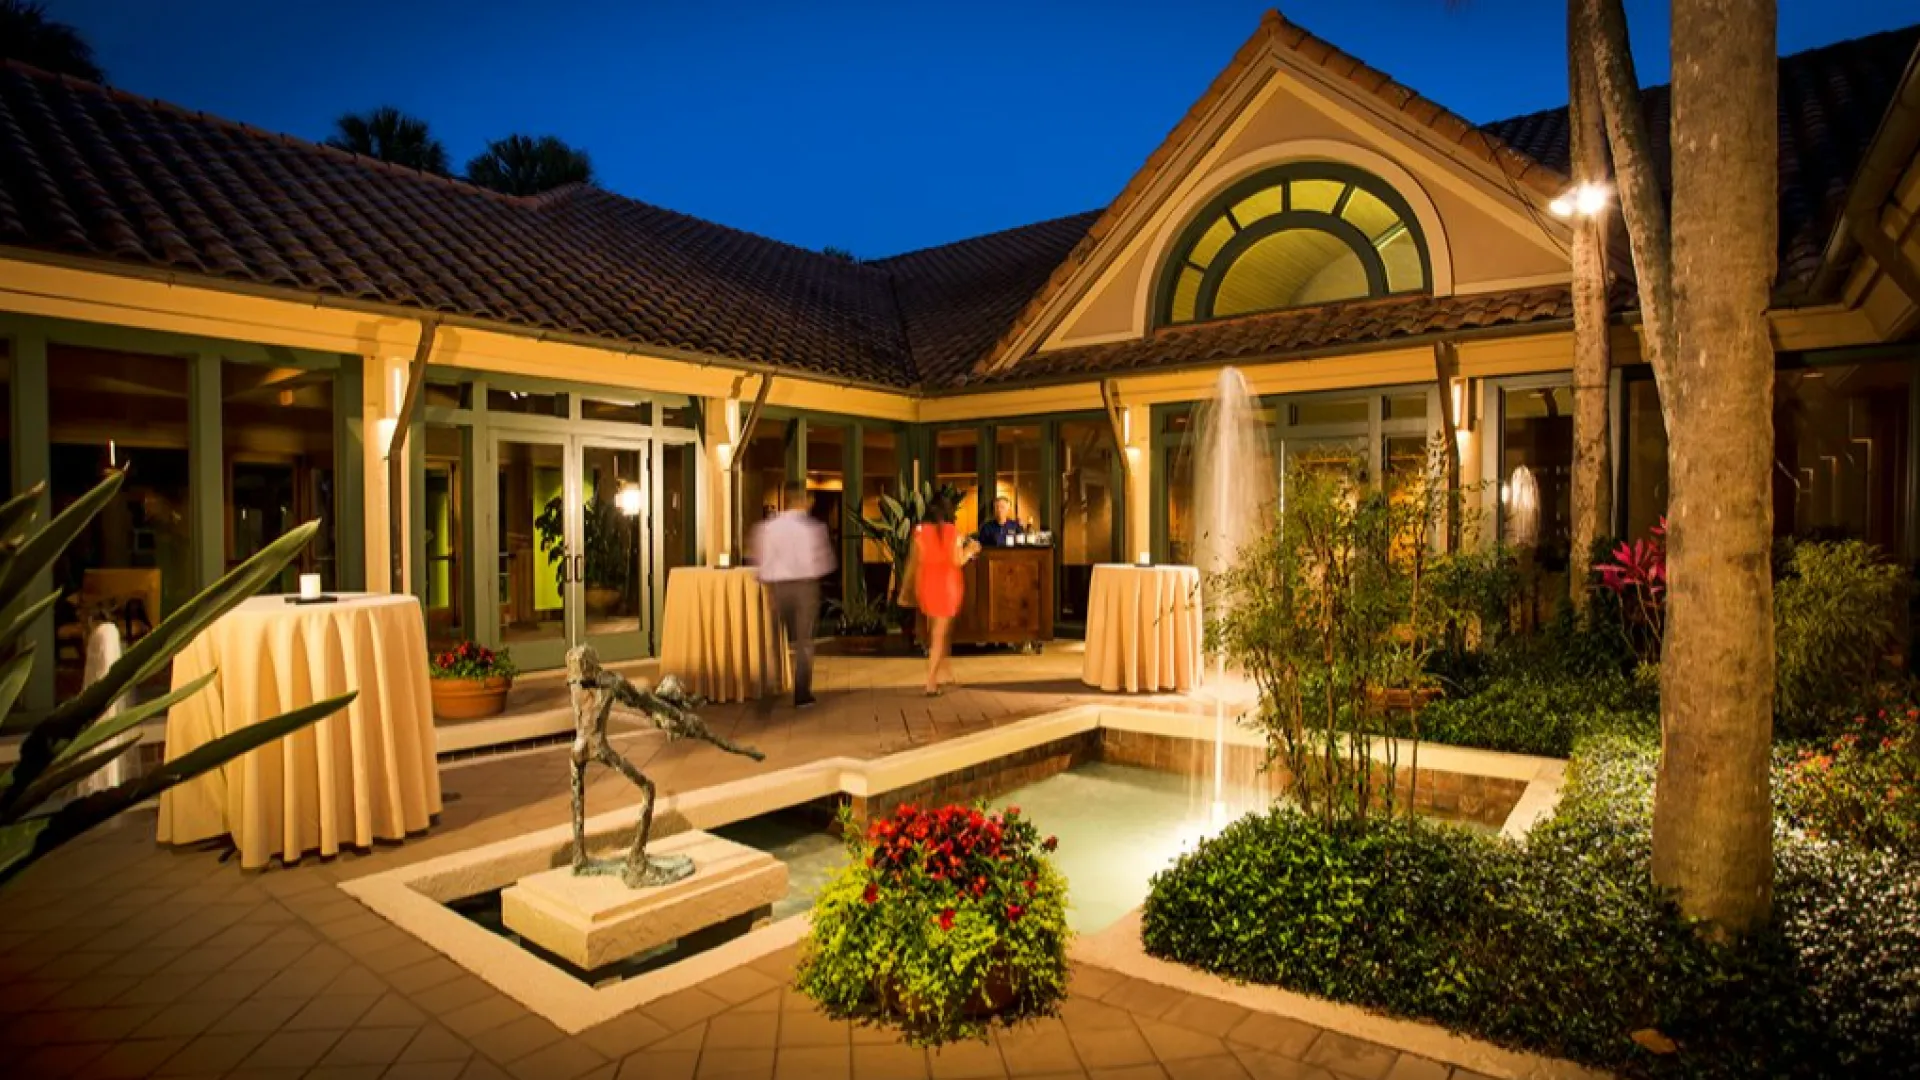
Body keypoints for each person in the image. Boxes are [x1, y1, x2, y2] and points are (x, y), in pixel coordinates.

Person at [747, 481, 836, 708]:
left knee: (775, 640)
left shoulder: (769, 528)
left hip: (778, 587)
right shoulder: (813, 528)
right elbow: (822, 562)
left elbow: (761, 560)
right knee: (804, 642)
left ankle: (769, 688)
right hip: (804, 587)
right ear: (804, 500)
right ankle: (802, 694)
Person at [912, 494, 978, 696]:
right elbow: (956, 561)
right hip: (947, 586)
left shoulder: (920, 532)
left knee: (938, 632)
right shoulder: (952, 532)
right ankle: (931, 682)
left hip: (927, 585)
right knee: (939, 637)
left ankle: (946, 672)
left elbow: (919, 560)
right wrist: (970, 550)